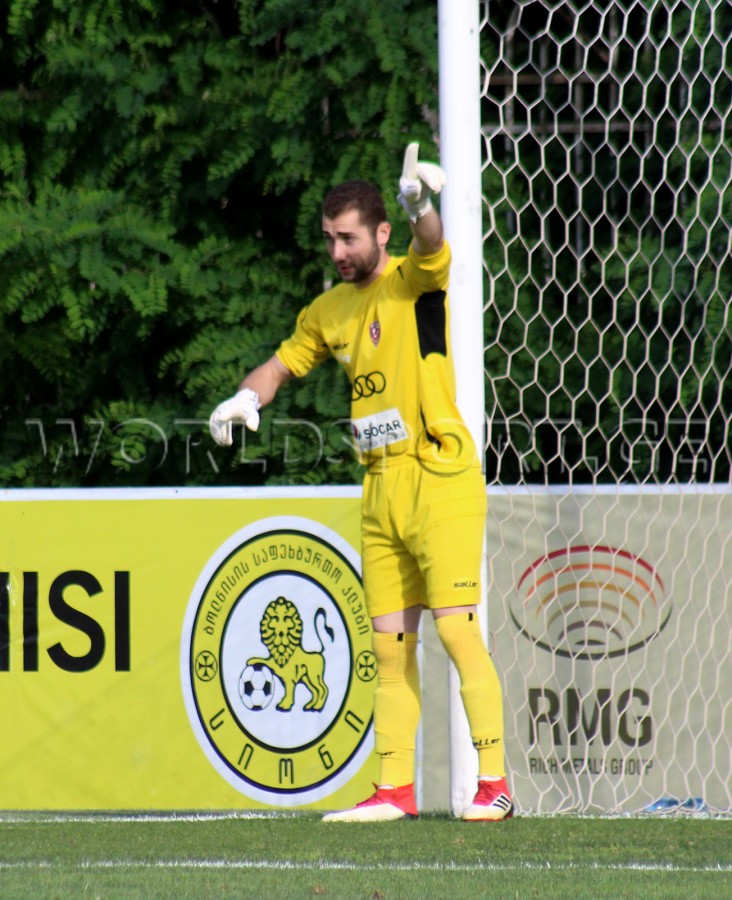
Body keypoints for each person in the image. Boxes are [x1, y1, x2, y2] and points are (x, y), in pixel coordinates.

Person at [209, 143, 513, 823]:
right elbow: (280, 366)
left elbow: (432, 246)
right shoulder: (329, 310)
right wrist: (247, 398)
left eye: (348, 238)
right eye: (329, 239)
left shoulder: (413, 279)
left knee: (458, 632)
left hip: (439, 477)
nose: (338, 251)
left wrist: (421, 206)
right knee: (387, 647)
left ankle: (494, 782)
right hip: (380, 487)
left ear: (381, 232)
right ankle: (395, 790)